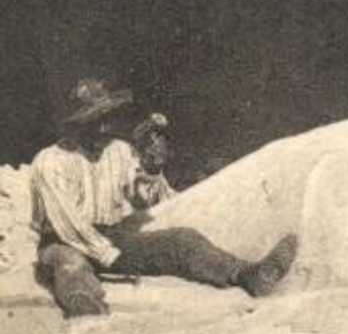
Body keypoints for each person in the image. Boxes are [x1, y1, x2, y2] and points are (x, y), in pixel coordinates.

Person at [31, 78, 299, 318]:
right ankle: (87, 311)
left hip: (112, 236)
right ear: (78, 125)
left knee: (182, 240)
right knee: (71, 265)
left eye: (107, 119)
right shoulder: (50, 161)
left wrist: (152, 169)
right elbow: (67, 222)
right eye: (94, 122)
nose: (104, 128)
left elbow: (144, 198)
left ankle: (247, 274)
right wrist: (108, 254)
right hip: (64, 240)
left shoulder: (120, 151)